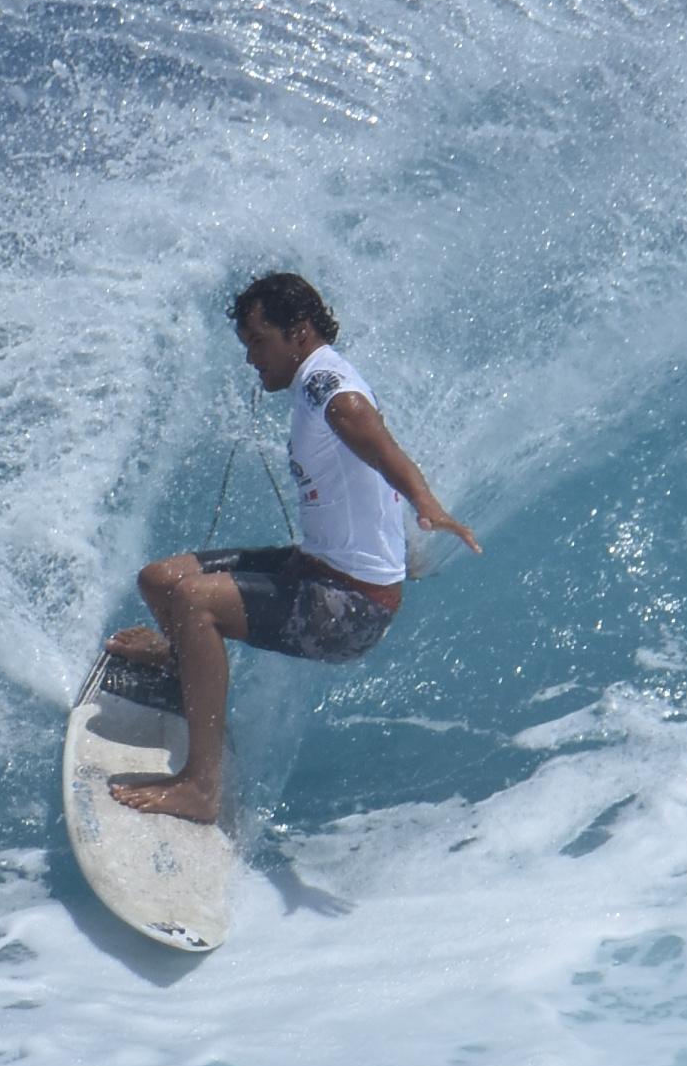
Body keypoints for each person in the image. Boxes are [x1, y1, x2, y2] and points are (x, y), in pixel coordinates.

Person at [107, 272, 479, 822]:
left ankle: (200, 789)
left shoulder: (322, 383)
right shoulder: (320, 374)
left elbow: (363, 426)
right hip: (316, 570)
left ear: (299, 333)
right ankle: (181, 659)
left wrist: (423, 499)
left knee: (194, 602)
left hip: (351, 609)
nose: (252, 359)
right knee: (160, 580)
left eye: (259, 342)